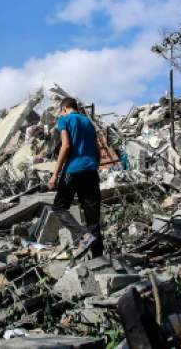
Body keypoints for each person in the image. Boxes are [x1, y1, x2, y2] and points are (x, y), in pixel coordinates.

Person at [48, 97, 103, 257]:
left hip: (72, 171)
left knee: (59, 207)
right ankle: (100, 263)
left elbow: (66, 145)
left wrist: (55, 175)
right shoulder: (88, 122)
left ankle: (83, 236)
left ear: (64, 108)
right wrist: (93, 168)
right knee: (93, 220)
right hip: (91, 172)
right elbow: (98, 152)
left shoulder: (64, 120)